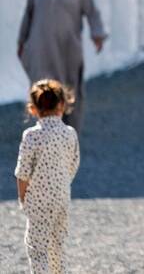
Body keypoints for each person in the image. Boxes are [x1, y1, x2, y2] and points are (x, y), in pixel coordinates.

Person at [18, 0, 106, 131]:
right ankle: (43, 136)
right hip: (41, 48)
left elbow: (91, 11)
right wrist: (21, 40)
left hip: (67, 50)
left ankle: (69, 137)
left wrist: (97, 34)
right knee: (42, 93)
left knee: (69, 93)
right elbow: (29, 12)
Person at [15, 79, 79, 274]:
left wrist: (23, 198)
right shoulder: (69, 133)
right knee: (58, 247)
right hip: (61, 198)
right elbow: (73, 164)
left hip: (38, 201)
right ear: (62, 104)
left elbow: (23, 172)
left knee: (38, 249)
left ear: (33, 108)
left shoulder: (31, 135)